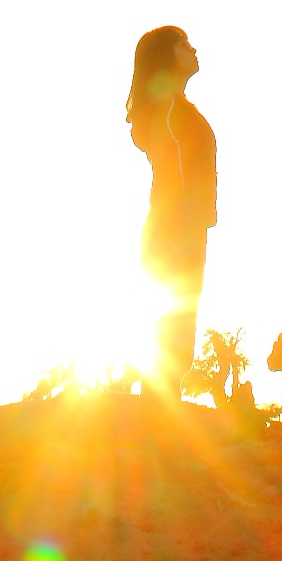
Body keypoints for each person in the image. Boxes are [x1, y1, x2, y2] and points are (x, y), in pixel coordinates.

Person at [126, 24, 217, 400]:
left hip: (183, 228)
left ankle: (160, 417)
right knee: (171, 330)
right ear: (166, 56)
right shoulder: (167, 110)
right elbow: (174, 168)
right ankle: (153, 423)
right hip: (174, 228)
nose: (195, 49)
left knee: (179, 328)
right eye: (185, 45)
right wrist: (187, 222)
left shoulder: (176, 108)